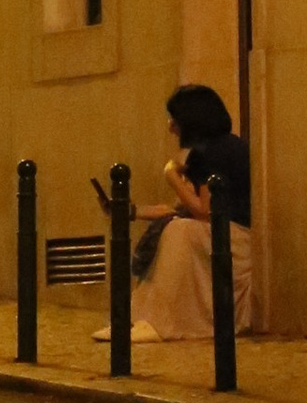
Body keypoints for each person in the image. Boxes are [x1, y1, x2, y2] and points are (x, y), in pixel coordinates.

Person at [98, 84, 255, 345]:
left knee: (178, 231)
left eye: (174, 118)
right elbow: (180, 209)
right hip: (225, 233)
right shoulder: (214, 149)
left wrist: (172, 176)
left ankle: (161, 321)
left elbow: (205, 212)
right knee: (175, 226)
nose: (171, 126)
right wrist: (129, 211)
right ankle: (142, 318)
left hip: (237, 238)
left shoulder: (214, 152)